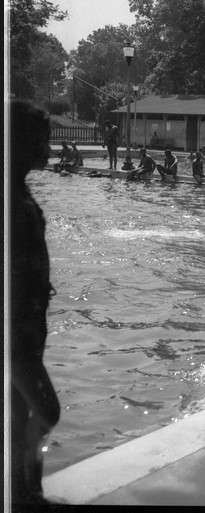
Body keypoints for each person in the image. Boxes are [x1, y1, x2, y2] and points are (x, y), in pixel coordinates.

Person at [10, 99, 61, 505]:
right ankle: (26, 492)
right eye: (41, 140)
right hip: (15, 331)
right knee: (46, 410)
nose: (48, 149)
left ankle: (26, 492)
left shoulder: (17, 187)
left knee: (19, 414)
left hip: (29, 323)